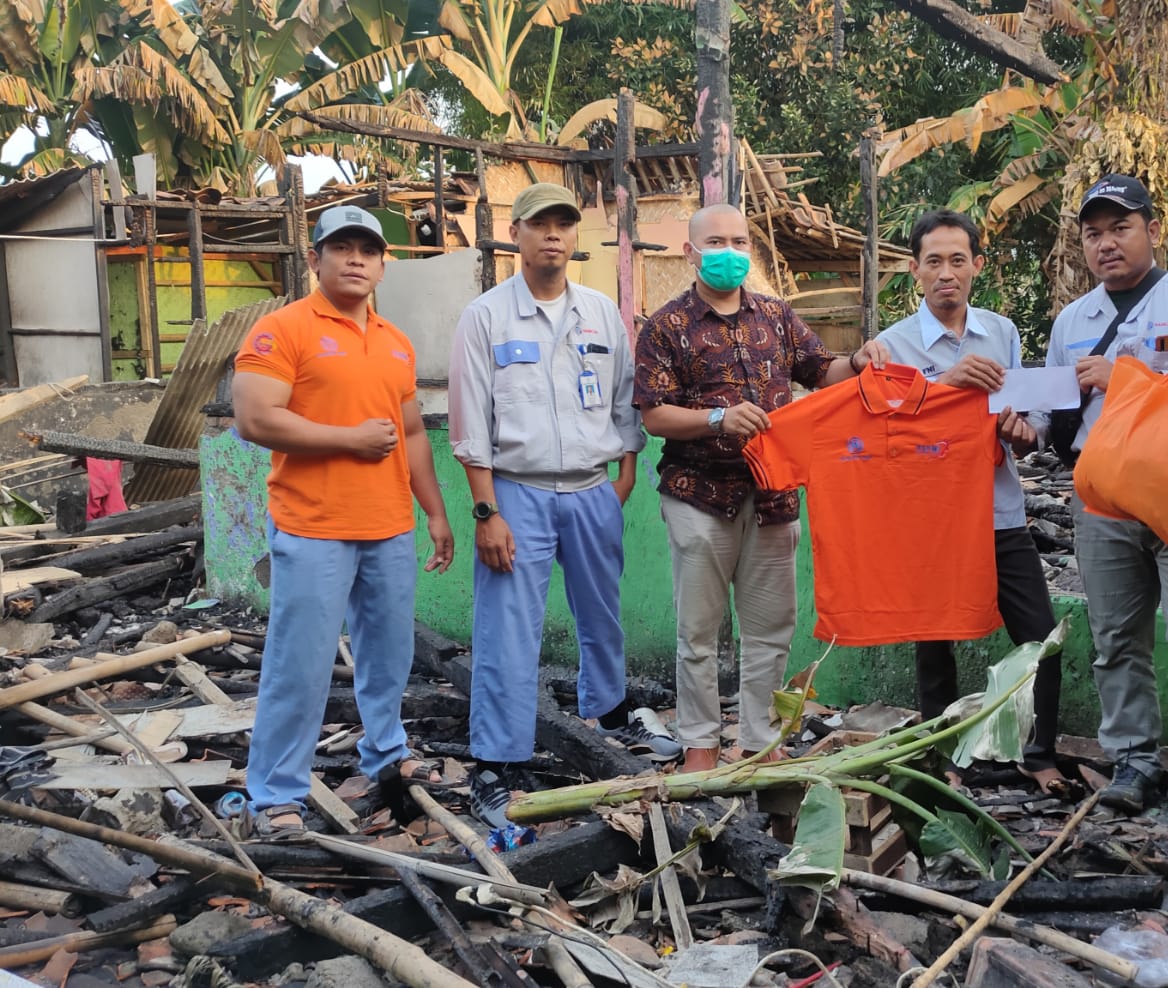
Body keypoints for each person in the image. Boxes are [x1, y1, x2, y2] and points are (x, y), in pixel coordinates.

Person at [448, 183, 681, 828]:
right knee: (507, 629)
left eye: (563, 225)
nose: (552, 234)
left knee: (601, 614)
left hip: (591, 491)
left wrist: (624, 476)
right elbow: (470, 421)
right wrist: (485, 510)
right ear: (516, 235)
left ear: (575, 238)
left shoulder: (602, 314)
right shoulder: (487, 317)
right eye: (539, 224)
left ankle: (608, 710)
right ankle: (498, 760)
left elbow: (624, 400)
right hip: (517, 494)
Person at [634, 203, 889, 774]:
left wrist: (859, 359)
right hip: (698, 496)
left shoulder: (775, 316)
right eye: (716, 242)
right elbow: (653, 415)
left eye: (739, 241)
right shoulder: (666, 327)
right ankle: (700, 743)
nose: (730, 252)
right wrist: (718, 419)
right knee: (698, 632)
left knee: (771, 629)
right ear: (691, 253)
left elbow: (821, 370)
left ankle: (758, 741)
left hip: (773, 497)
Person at [234, 205, 454, 837]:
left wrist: (435, 511)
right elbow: (254, 418)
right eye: (341, 247)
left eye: (368, 249)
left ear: (384, 265)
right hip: (312, 526)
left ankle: (385, 755)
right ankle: (274, 793)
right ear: (315, 259)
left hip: (388, 524)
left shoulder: (395, 341)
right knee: (298, 665)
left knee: (389, 656)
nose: (355, 258)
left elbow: (411, 431)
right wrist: (346, 440)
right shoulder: (283, 331)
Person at [1038, 176, 1168, 814]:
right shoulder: (1073, 320)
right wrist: (1021, 423)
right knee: (1115, 640)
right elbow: (1053, 414)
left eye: (1120, 228)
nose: (1106, 244)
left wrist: (1126, 378)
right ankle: (1133, 761)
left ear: (1153, 229)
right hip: (1101, 504)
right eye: (1093, 234)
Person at [875, 208, 1065, 794]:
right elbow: (886, 432)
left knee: (1039, 638)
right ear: (915, 270)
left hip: (999, 511)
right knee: (935, 645)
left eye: (958, 260)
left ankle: (1039, 755)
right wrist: (944, 385)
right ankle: (942, 758)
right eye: (934, 261)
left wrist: (1023, 429)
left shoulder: (1002, 333)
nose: (946, 273)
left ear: (977, 266)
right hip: (930, 520)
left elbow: (1030, 411)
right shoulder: (891, 346)